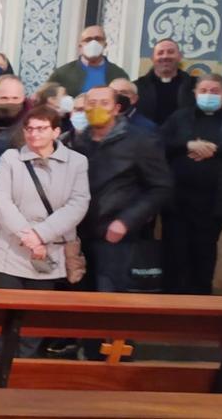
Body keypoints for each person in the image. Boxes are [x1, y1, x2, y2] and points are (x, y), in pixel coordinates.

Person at [0, 105, 90, 358]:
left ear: (56, 132)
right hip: (10, 249)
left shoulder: (77, 163)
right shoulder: (11, 159)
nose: (34, 134)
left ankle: (25, 364)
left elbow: (78, 204)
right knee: (4, 313)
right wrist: (27, 236)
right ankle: (0, 361)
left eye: (41, 129)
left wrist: (41, 235)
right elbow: (0, 200)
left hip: (49, 250)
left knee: (34, 316)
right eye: (29, 128)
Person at [68, 86, 172, 296]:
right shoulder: (77, 141)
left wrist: (126, 221)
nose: (97, 108)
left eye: (104, 103)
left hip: (116, 236)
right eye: (91, 103)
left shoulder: (140, 141)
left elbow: (161, 187)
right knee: (77, 299)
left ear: (116, 108)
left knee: (109, 299)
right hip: (79, 234)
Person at [159, 74, 222, 295]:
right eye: (204, 91)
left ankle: (200, 311)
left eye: (214, 91)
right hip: (178, 202)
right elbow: (159, 144)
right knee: (175, 257)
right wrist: (187, 144)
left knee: (204, 257)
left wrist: (213, 149)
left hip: (214, 204)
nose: (209, 95)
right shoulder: (180, 117)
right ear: (195, 93)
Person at [46, 25, 129, 96]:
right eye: (88, 40)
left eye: (98, 39)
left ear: (105, 44)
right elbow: (45, 100)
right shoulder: (62, 74)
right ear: (80, 46)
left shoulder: (118, 74)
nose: (93, 43)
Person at [134, 38, 195, 125]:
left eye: (170, 52)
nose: (165, 56)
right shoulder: (137, 87)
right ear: (152, 58)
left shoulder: (194, 85)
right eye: (160, 53)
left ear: (179, 56)